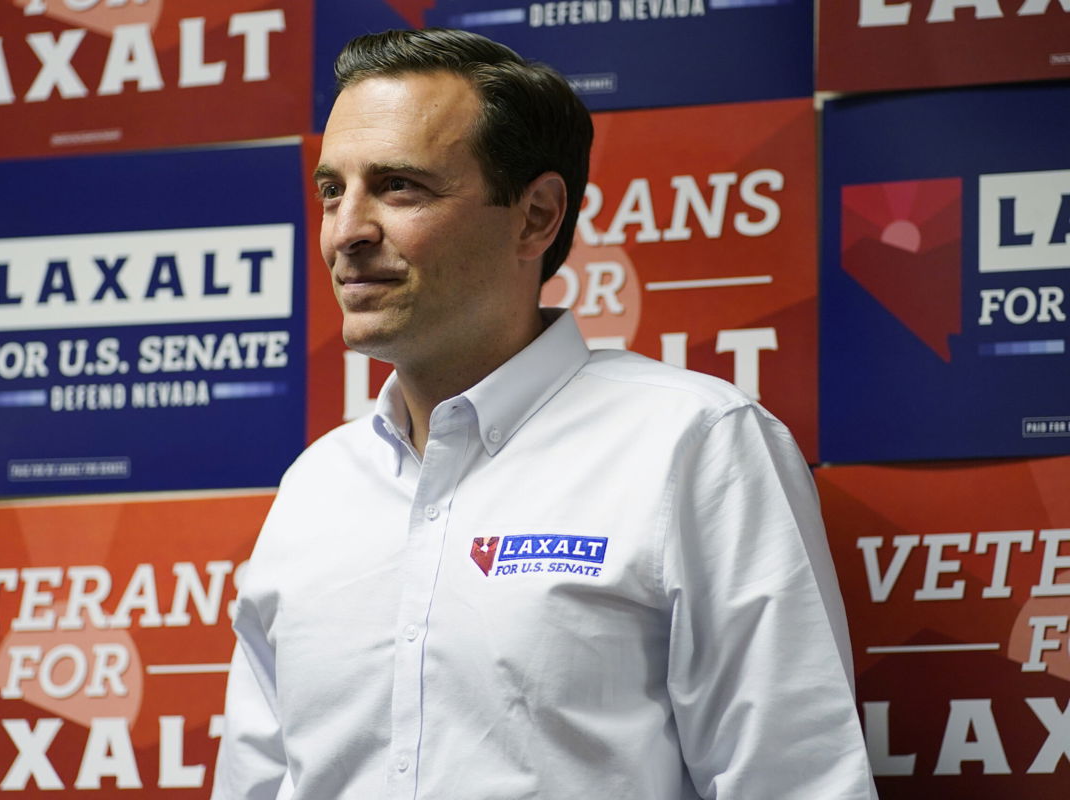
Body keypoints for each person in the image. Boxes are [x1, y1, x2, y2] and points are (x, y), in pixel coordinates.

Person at [213, 28, 878, 800]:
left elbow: (796, 783)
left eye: (400, 187)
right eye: (334, 189)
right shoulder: (316, 487)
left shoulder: (690, 446)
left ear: (536, 216)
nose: (348, 231)